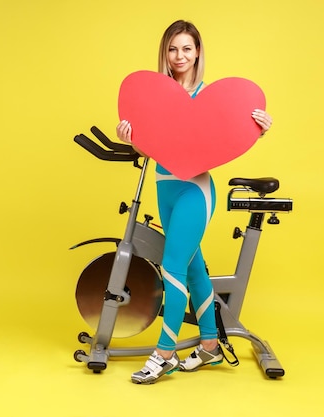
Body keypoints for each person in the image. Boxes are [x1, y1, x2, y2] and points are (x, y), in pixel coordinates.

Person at [116, 19, 273, 384]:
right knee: (195, 268)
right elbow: (149, 146)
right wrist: (130, 138)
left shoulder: (209, 96)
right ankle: (210, 346)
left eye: (186, 48)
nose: (179, 55)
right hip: (165, 188)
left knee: (172, 267)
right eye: (173, 49)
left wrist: (258, 129)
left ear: (197, 51)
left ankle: (164, 354)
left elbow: (230, 133)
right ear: (165, 54)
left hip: (195, 192)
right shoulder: (156, 96)